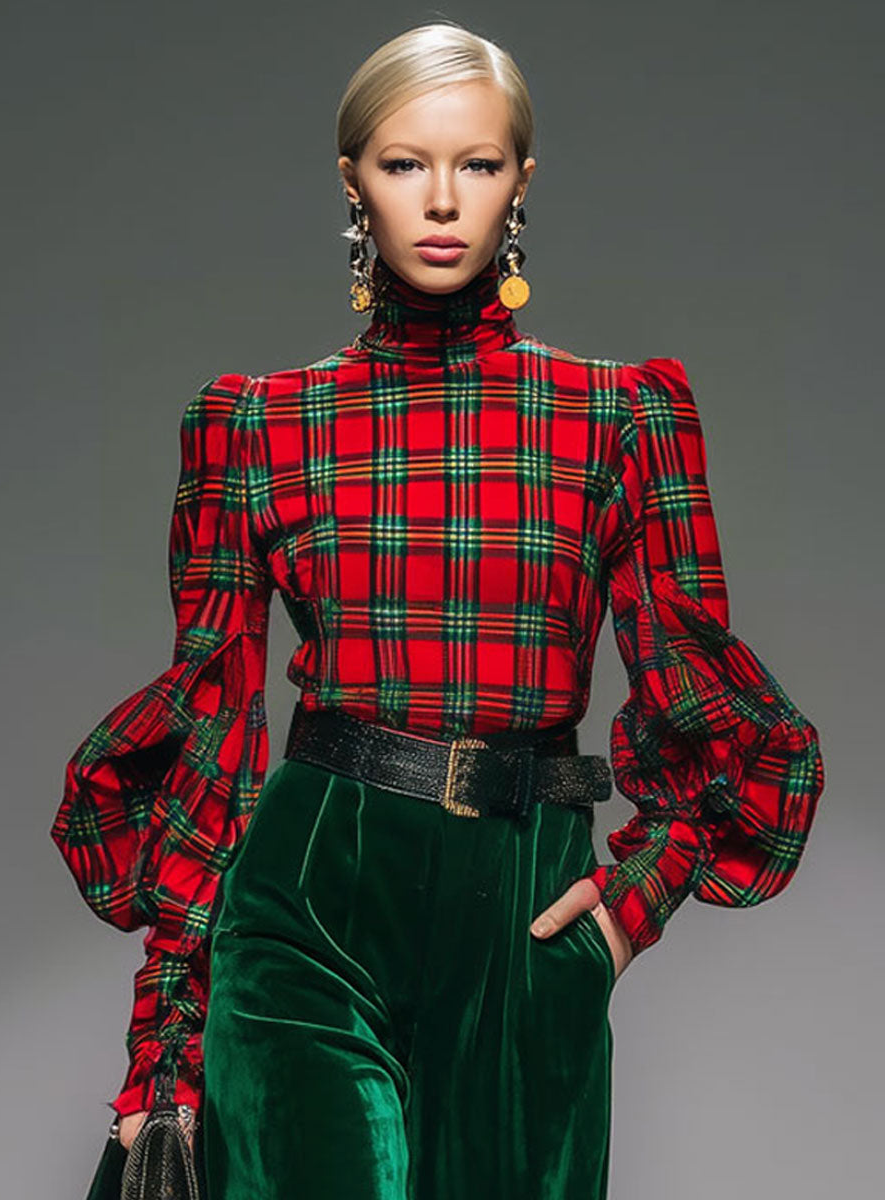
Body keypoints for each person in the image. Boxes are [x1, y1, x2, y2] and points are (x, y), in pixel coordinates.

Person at [50, 20, 825, 1200]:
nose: (444, 198)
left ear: (522, 180)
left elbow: (704, 693)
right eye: (406, 162)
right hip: (308, 904)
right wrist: (164, 1052)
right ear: (353, 181)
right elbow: (211, 736)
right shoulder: (258, 425)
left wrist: (628, 910)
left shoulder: (617, 420)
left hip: (526, 911)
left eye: (479, 162)